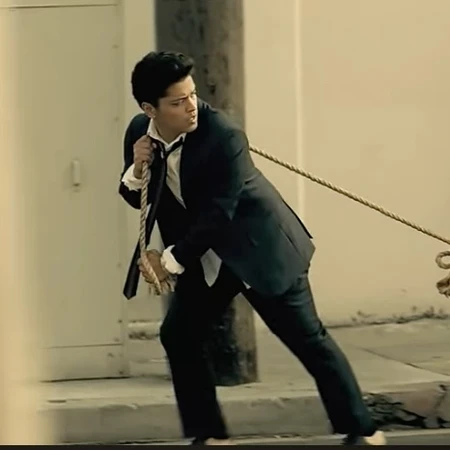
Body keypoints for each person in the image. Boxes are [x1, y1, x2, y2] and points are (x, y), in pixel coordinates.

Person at [118, 50, 386, 446]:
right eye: (177, 102)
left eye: (192, 95)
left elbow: (218, 214)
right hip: (207, 257)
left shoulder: (223, 135)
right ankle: (210, 436)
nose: (191, 106)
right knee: (178, 335)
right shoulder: (139, 132)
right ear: (149, 109)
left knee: (308, 341)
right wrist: (138, 169)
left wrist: (170, 261)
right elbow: (136, 197)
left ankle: (364, 431)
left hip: (259, 249)